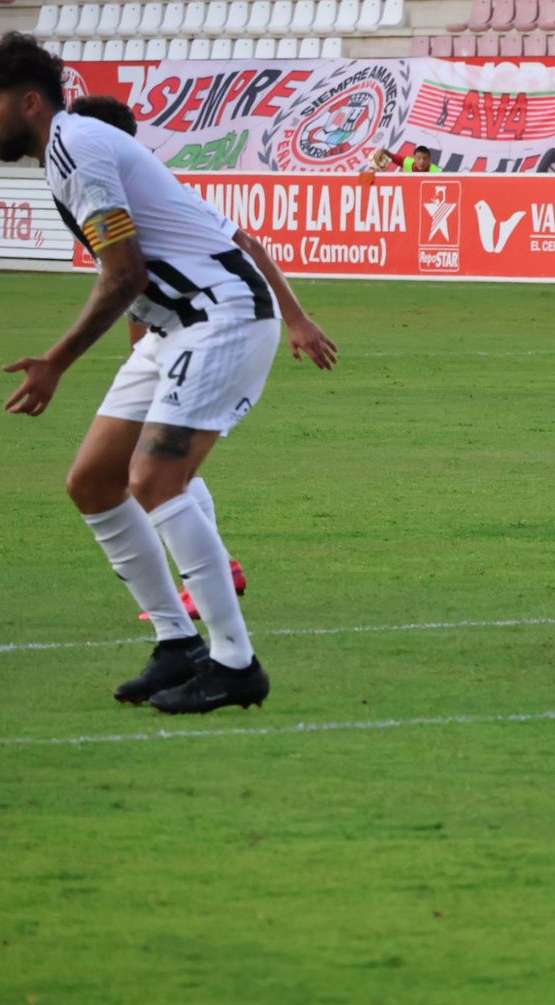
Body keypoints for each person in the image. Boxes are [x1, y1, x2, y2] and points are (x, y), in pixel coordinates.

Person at [0, 34, 329, 713]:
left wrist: (57, 362)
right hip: (176, 324)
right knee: (94, 482)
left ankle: (234, 661)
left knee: (155, 478)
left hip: (222, 315)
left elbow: (124, 272)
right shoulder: (68, 150)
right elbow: (140, 272)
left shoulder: (75, 148)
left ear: (30, 101)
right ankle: (177, 641)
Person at [66, 94, 338, 623]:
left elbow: (247, 246)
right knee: (144, 464)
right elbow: (127, 277)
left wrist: (299, 319)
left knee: (160, 466)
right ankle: (213, 581)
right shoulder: (104, 192)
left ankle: (217, 602)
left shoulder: (159, 195)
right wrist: (143, 350)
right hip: (168, 332)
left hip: (212, 324)